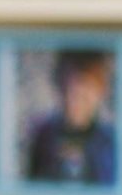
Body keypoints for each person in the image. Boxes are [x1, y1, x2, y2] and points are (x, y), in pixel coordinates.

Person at [28, 50, 115, 184]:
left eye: (86, 89)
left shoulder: (112, 142)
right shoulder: (43, 136)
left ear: (100, 90)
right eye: (69, 86)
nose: (75, 98)